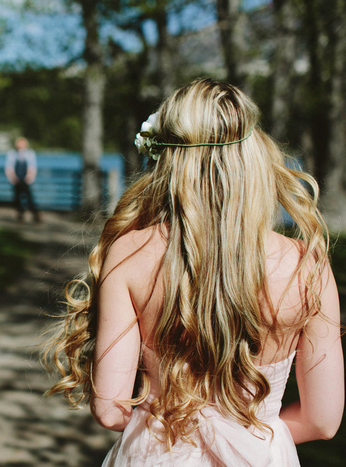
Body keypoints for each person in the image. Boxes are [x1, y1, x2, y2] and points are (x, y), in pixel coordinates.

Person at [43, 79, 344, 466]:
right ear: (255, 156)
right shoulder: (307, 265)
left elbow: (110, 409)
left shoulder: (130, 253)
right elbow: (322, 420)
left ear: (167, 159)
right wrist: (248, 438)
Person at [5, 137, 40, 222]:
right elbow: (9, 166)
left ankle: (34, 213)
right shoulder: (12, 154)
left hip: (26, 179)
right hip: (16, 178)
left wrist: (30, 177)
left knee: (28, 196)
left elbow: (32, 166)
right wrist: (12, 177)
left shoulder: (30, 153)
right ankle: (21, 213)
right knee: (17, 197)